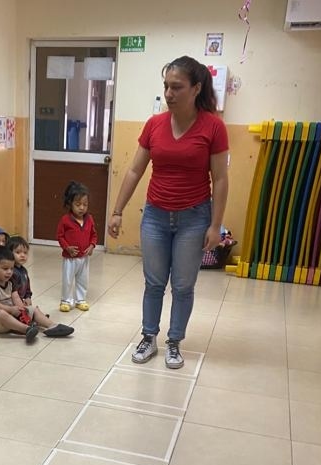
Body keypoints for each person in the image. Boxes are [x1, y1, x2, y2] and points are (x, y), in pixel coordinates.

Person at [108, 55, 229, 370]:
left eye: (177, 87)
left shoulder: (213, 126)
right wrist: (117, 210)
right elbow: (135, 170)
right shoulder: (154, 124)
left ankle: (174, 342)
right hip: (155, 217)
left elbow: (220, 179)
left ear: (196, 88)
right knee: (154, 283)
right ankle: (149, 337)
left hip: (194, 218)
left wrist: (215, 226)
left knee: (183, 286)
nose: (169, 93)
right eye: (166, 86)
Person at [0, 246, 75, 342]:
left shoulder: (10, 280)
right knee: (1, 313)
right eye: (5, 269)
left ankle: (52, 325)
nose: (9, 272)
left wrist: (21, 309)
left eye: (11, 268)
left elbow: (15, 296)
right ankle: (26, 329)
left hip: (13, 314)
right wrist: (10, 310)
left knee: (33, 309)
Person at [57, 181, 97, 313]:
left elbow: (94, 235)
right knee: (68, 279)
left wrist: (92, 245)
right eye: (78, 204)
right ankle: (66, 300)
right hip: (70, 258)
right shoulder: (65, 220)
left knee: (83, 279)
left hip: (84, 257)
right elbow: (60, 236)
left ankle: (81, 300)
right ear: (70, 204)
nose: (82, 208)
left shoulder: (89, 219)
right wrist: (67, 248)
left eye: (85, 204)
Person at [7, 235, 33, 306]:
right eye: (18, 252)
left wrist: (28, 297)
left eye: (25, 253)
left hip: (21, 301)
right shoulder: (11, 272)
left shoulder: (24, 271)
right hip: (11, 303)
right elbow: (12, 292)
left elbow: (27, 286)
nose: (22, 255)